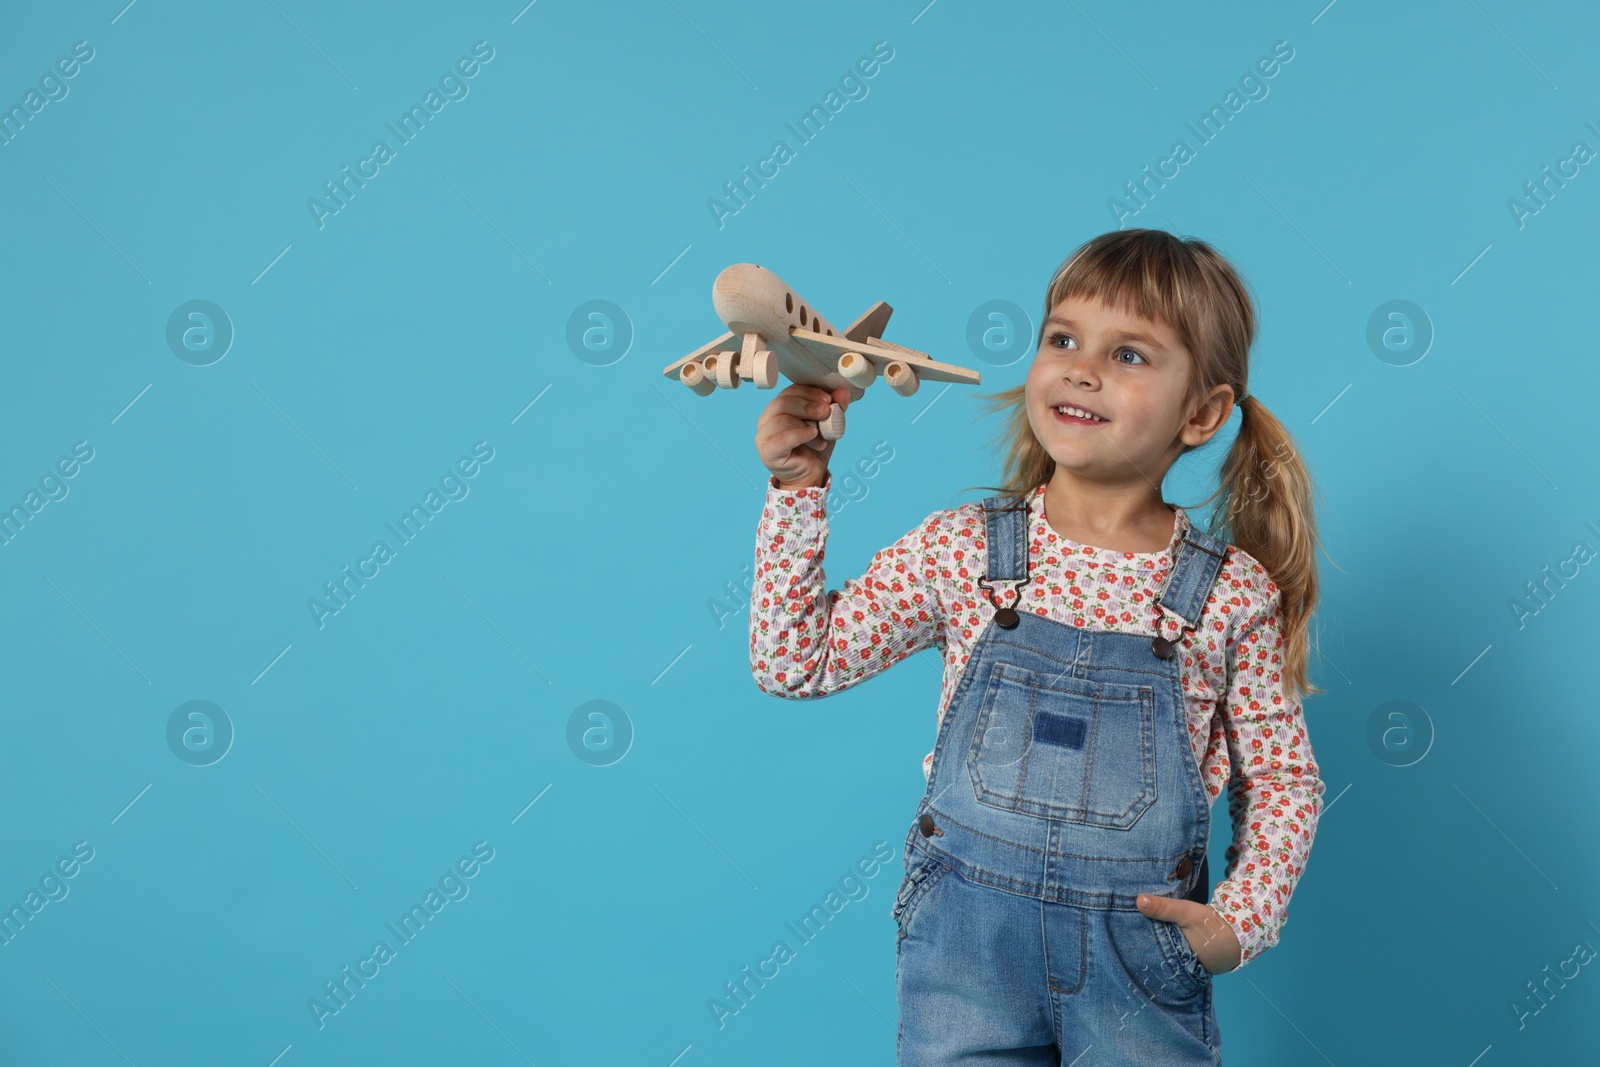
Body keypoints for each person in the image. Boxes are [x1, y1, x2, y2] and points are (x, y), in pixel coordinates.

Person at [749, 229, 1327, 1065]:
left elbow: (1281, 777)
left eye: (1128, 354)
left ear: (1201, 413)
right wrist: (797, 491)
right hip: (967, 953)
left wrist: (1242, 921)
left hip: (1141, 966)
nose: (1080, 367)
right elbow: (794, 661)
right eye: (1062, 339)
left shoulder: (1230, 593)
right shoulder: (963, 552)